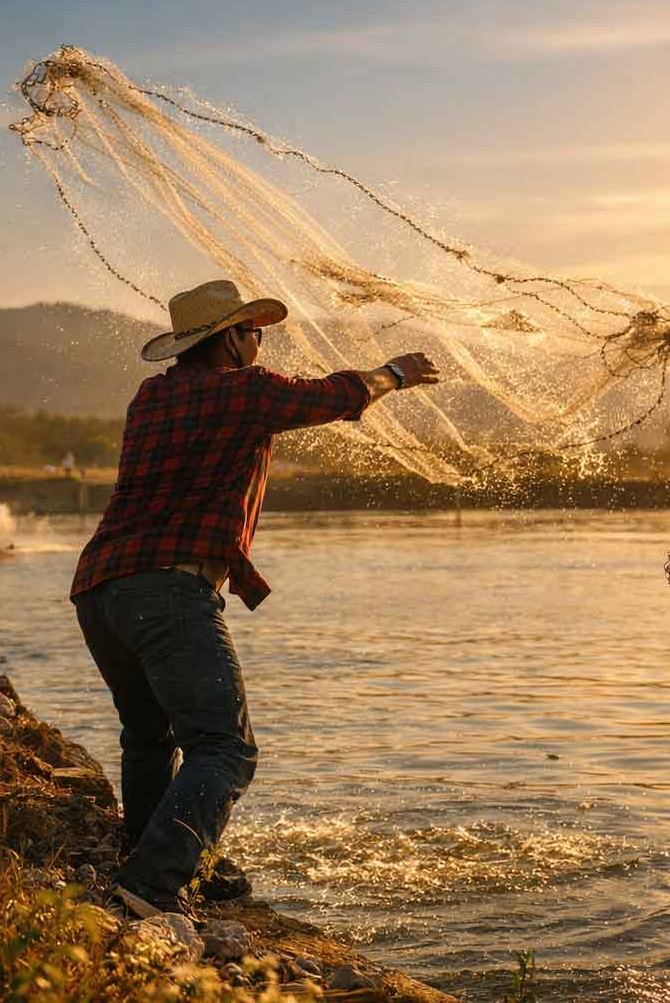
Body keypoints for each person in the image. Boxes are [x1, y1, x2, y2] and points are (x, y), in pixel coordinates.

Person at [70, 279, 440, 920]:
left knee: (149, 736)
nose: (261, 342)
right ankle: (152, 884)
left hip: (100, 589)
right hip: (168, 589)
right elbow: (337, 395)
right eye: (254, 332)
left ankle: (156, 860)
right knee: (224, 747)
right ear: (231, 339)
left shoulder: (150, 396)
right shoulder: (243, 390)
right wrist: (396, 373)